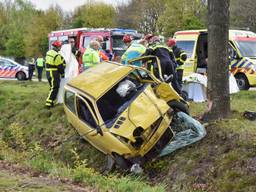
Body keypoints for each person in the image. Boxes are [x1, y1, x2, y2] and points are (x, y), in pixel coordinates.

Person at [45, 40, 66, 108]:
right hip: (54, 72)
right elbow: (60, 66)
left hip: (48, 71)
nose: (60, 48)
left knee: (52, 87)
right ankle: (48, 103)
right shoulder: (56, 55)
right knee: (55, 87)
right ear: (57, 47)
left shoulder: (49, 52)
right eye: (60, 47)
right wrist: (62, 74)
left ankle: (50, 102)